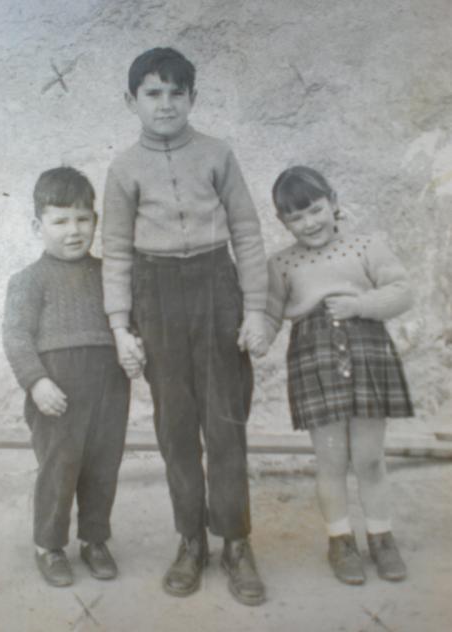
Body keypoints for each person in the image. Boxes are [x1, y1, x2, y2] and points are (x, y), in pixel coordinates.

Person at [102, 47, 267, 605]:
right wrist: (120, 326)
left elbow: (247, 234)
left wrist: (256, 308)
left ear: (193, 98)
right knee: (175, 428)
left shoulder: (218, 154)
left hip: (217, 289)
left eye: (177, 92)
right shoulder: (124, 169)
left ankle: (236, 542)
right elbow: (116, 252)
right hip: (156, 295)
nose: (166, 104)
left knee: (225, 423)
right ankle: (191, 540)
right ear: (131, 101)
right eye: (153, 93)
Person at [266, 166, 414, 585]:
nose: (309, 223)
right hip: (314, 361)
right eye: (296, 217)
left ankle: (381, 537)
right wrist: (255, 334)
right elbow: (270, 314)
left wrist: (361, 306)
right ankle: (340, 540)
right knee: (331, 460)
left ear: (332, 202)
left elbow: (402, 291)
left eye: (315, 210)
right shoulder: (281, 264)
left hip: (367, 354)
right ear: (282, 221)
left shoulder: (367, 246)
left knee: (369, 458)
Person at [3, 167, 130, 587]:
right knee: (59, 469)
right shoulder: (28, 281)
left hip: (109, 387)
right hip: (56, 391)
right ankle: (49, 545)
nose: (73, 231)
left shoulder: (110, 274)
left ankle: (94, 539)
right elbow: (16, 337)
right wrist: (37, 382)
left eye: (82, 219)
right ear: (37, 226)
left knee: (103, 467)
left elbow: (128, 322)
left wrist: (134, 348)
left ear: (95, 220)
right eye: (60, 221)